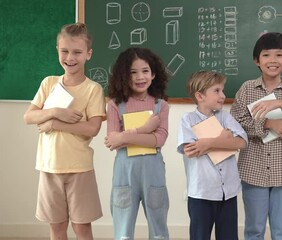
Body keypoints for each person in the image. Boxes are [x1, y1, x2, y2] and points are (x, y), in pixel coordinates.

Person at [23, 23, 105, 240]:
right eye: (65, 51)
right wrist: (56, 111)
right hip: (49, 167)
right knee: (57, 228)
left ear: (88, 54)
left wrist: (56, 124)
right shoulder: (49, 83)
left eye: (77, 52)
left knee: (81, 228)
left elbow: (92, 128)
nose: (70, 57)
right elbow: (29, 116)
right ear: (57, 50)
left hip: (79, 169)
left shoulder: (93, 89)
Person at [230, 32, 282, 239]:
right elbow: (235, 125)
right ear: (256, 60)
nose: (273, 60)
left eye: (279, 55)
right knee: (254, 229)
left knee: (280, 231)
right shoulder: (247, 89)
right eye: (266, 55)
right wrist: (267, 123)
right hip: (253, 170)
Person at [104, 47, 170, 240]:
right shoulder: (115, 105)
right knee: (123, 230)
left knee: (158, 229)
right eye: (133, 72)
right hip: (125, 173)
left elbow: (159, 140)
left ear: (154, 74)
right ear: (124, 76)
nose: (140, 77)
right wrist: (145, 128)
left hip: (153, 172)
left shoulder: (161, 105)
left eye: (145, 71)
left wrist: (124, 136)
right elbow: (112, 142)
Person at [177, 71, 248, 240]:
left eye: (222, 90)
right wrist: (223, 140)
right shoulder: (188, 120)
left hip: (227, 192)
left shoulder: (225, 117)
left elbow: (242, 142)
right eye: (217, 91)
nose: (223, 95)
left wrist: (207, 143)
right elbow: (191, 150)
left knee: (229, 236)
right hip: (201, 193)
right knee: (200, 236)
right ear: (200, 96)